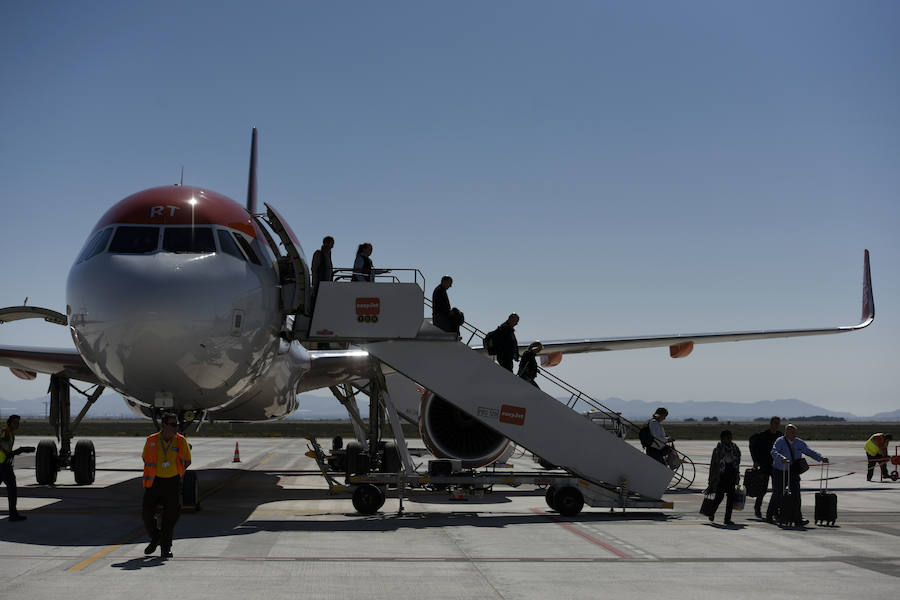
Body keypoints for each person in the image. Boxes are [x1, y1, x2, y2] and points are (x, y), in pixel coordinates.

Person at [142, 414, 192, 558]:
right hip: (154, 482)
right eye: (173, 425)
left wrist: (176, 472)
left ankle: (166, 548)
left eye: (176, 425)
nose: (176, 427)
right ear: (163, 425)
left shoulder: (181, 441)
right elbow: (145, 457)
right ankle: (156, 536)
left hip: (172, 482)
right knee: (146, 513)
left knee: (170, 518)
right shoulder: (151, 440)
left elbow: (188, 460)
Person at [766, 423, 828, 527]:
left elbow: (809, 452)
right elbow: (774, 451)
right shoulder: (780, 441)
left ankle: (798, 518)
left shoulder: (799, 442)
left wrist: (821, 458)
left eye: (794, 432)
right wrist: (782, 458)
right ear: (786, 432)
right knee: (778, 494)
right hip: (780, 471)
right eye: (791, 432)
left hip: (793, 471)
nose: (793, 434)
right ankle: (770, 516)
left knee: (796, 495)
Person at [0, 415, 34, 522]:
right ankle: (13, 515)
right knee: (12, 489)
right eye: (15, 422)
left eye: (18, 422)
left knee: (12, 490)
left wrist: (20, 450)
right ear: (9, 422)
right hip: (2, 465)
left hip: (5, 465)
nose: (17, 424)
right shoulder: (4, 432)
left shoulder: (10, 433)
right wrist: (15, 452)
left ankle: (13, 514)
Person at [705, 429, 741, 525]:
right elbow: (713, 465)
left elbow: (738, 460)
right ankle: (711, 512)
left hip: (732, 475)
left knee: (731, 499)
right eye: (727, 437)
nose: (730, 439)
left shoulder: (735, 448)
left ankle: (727, 519)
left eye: (730, 437)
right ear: (722, 438)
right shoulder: (718, 449)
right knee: (719, 497)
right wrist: (711, 479)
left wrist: (737, 475)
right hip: (721, 476)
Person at [749, 416, 782, 518]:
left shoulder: (780, 436)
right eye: (774, 423)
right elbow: (752, 443)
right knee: (762, 489)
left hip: (776, 466)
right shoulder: (762, 435)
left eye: (778, 423)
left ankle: (775, 511)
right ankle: (757, 508)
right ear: (770, 423)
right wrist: (755, 460)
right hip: (764, 465)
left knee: (777, 490)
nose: (776, 425)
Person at [310, 235, 334, 301]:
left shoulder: (328, 254)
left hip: (327, 283)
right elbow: (314, 269)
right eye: (331, 243)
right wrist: (315, 284)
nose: (332, 245)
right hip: (320, 282)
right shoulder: (319, 253)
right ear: (326, 243)